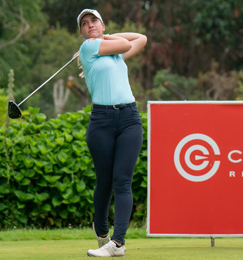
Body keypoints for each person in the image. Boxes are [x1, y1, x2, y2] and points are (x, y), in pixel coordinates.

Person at [75, 9, 147, 257]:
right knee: (104, 182)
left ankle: (117, 243)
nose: (89, 25)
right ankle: (102, 232)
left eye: (94, 21)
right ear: (82, 33)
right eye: (85, 24)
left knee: (122, 182)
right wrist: (101, 36)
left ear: (103, 25)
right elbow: (127, 43)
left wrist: (105, 35)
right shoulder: (88, 48)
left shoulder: (115, 52)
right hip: (102, 121)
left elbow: (141, 38)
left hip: (129, 119)